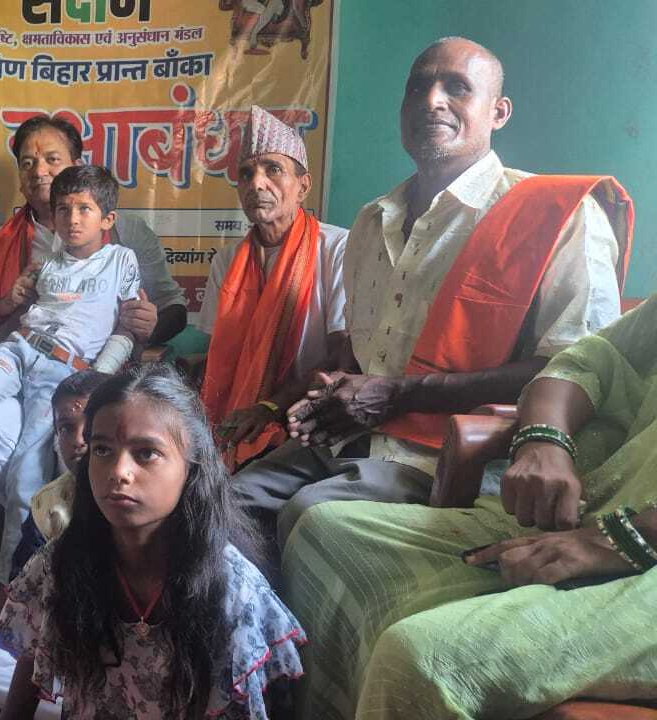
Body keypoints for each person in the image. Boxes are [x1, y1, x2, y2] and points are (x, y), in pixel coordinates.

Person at [230, 37, 632, 558]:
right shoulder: (372, 221)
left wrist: (398, 394)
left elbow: (579, 369)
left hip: (455, 457)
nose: (431, 100)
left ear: (498, 112)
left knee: (310, 515)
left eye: (456, 87)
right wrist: (336, 392)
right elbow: (367, 354)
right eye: (417, 87)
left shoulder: (559, 215)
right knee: (219, 505)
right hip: (354, 438)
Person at [284, 295, 657, 720]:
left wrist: (623, 540)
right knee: (323, 531)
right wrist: (543, 440)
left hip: (639, 560)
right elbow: (584, 362)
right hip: (589, 511)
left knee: (421, 660)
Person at [0, 364, 305, 720]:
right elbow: (25, 683)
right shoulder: (63, 562)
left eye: (146, 453)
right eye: (102, 450)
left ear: (191, 466)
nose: (118, 472)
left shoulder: (231, 589)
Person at [0, 114, 188, 509]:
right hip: (16, 365)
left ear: (76, 164)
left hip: (92, 373)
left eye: (51, 159)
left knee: (57, 443)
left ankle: (47, 522)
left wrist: (147, 328)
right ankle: (38, 522)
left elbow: (175, 309)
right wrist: (5, 306)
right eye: (27, 163)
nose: (39, 171)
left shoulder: (127, 237)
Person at [0, 165, 142, 583]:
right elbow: (21, 315)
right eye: (63, 209)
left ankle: (13, 581)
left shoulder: (121, 261)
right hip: (19, 349)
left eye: (85, 209)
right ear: (52, 217)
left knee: (27, 469)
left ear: (107, 219)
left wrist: (96, 378)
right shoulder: (46, 264)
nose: (73, 219)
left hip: (64, 369)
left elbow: (127, 329)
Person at [195, 106, 348, 469]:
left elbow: (343, 356)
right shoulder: (227, 261)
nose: (256, 184)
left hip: (306, 419)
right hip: (238, 414)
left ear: (303, 186)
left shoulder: (338, 248)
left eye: (273, 170)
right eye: (246, 174)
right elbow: (221, 357)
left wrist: (269, 407)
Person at [0, 369, 110, 720]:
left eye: (90, 425)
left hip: (113, 653)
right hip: (50, 642)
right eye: (65, 428)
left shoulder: (131, 503)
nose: (78, 439)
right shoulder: (49, 504)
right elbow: (18, 581)